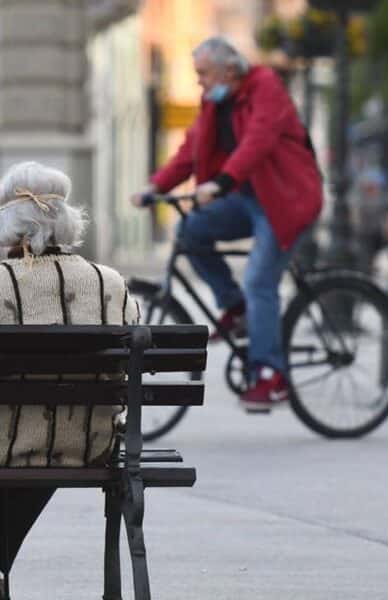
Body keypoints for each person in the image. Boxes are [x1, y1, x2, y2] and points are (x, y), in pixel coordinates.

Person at [0, 161, 140, 600]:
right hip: (84, 441)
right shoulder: (110, 283)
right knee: (39, 437)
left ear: (6, 227)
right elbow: (132, 342)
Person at [130, 36, 322, 411]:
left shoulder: (266, 87)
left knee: (259, 281)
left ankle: (271, 375)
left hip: (285, 200)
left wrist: (221, 182)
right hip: (246, 198)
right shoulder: (215, 101)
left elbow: (259, 140)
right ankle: (236, 311)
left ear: (230, 70)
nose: (199, 81)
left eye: (203, 73)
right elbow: (191, 150)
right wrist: (156, 186)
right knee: (191, 230)